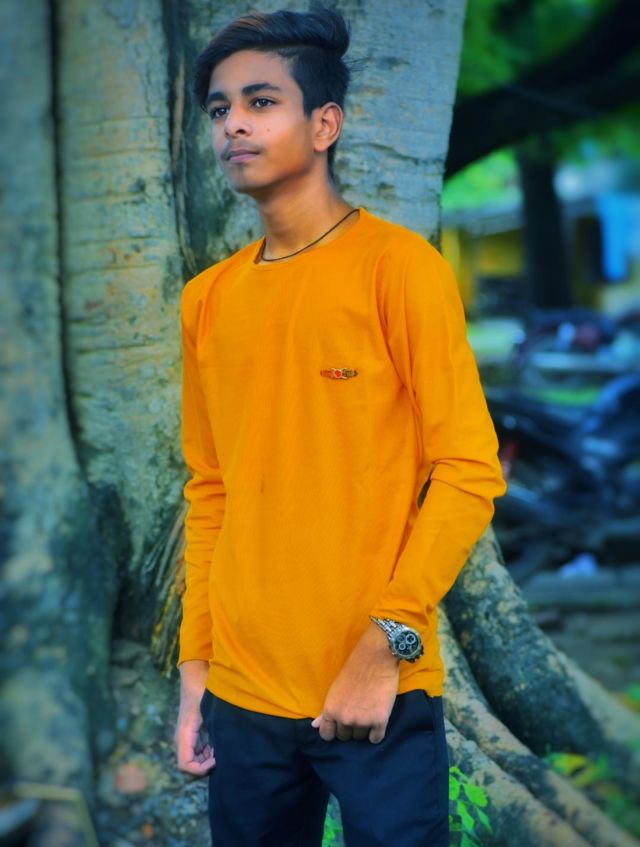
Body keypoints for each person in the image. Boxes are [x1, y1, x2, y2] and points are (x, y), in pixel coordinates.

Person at [172, 5, 506, 845]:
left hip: (377, 688)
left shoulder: (399, 269)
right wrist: (196, 667)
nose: (234, 125)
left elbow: (469, 468)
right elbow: (210, 489)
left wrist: (387, 642)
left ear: (325, 124)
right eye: (220, 109)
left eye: (261, 102)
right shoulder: (207, 300)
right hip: (243, 695)